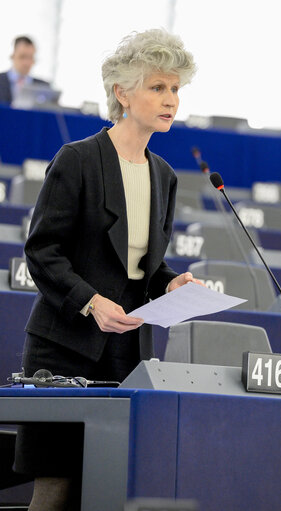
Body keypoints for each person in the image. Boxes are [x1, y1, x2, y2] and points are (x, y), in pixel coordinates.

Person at [14, 28, 198, 510]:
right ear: (122, 92)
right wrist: (91, 302)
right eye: (158, 87)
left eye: (176, 88)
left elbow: (144, 263)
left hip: (126, 349)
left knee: (106, 485)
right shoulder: (77, 160)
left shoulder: (165, 175)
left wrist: (169, 281)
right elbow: (42, 251)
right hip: (63, 349)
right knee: (56, 486)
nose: (171, 99)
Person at [0, 35, 49, 105]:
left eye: (31, 57)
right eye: (22, 57)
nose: (27, 63)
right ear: (12, 56)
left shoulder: (44, 87)